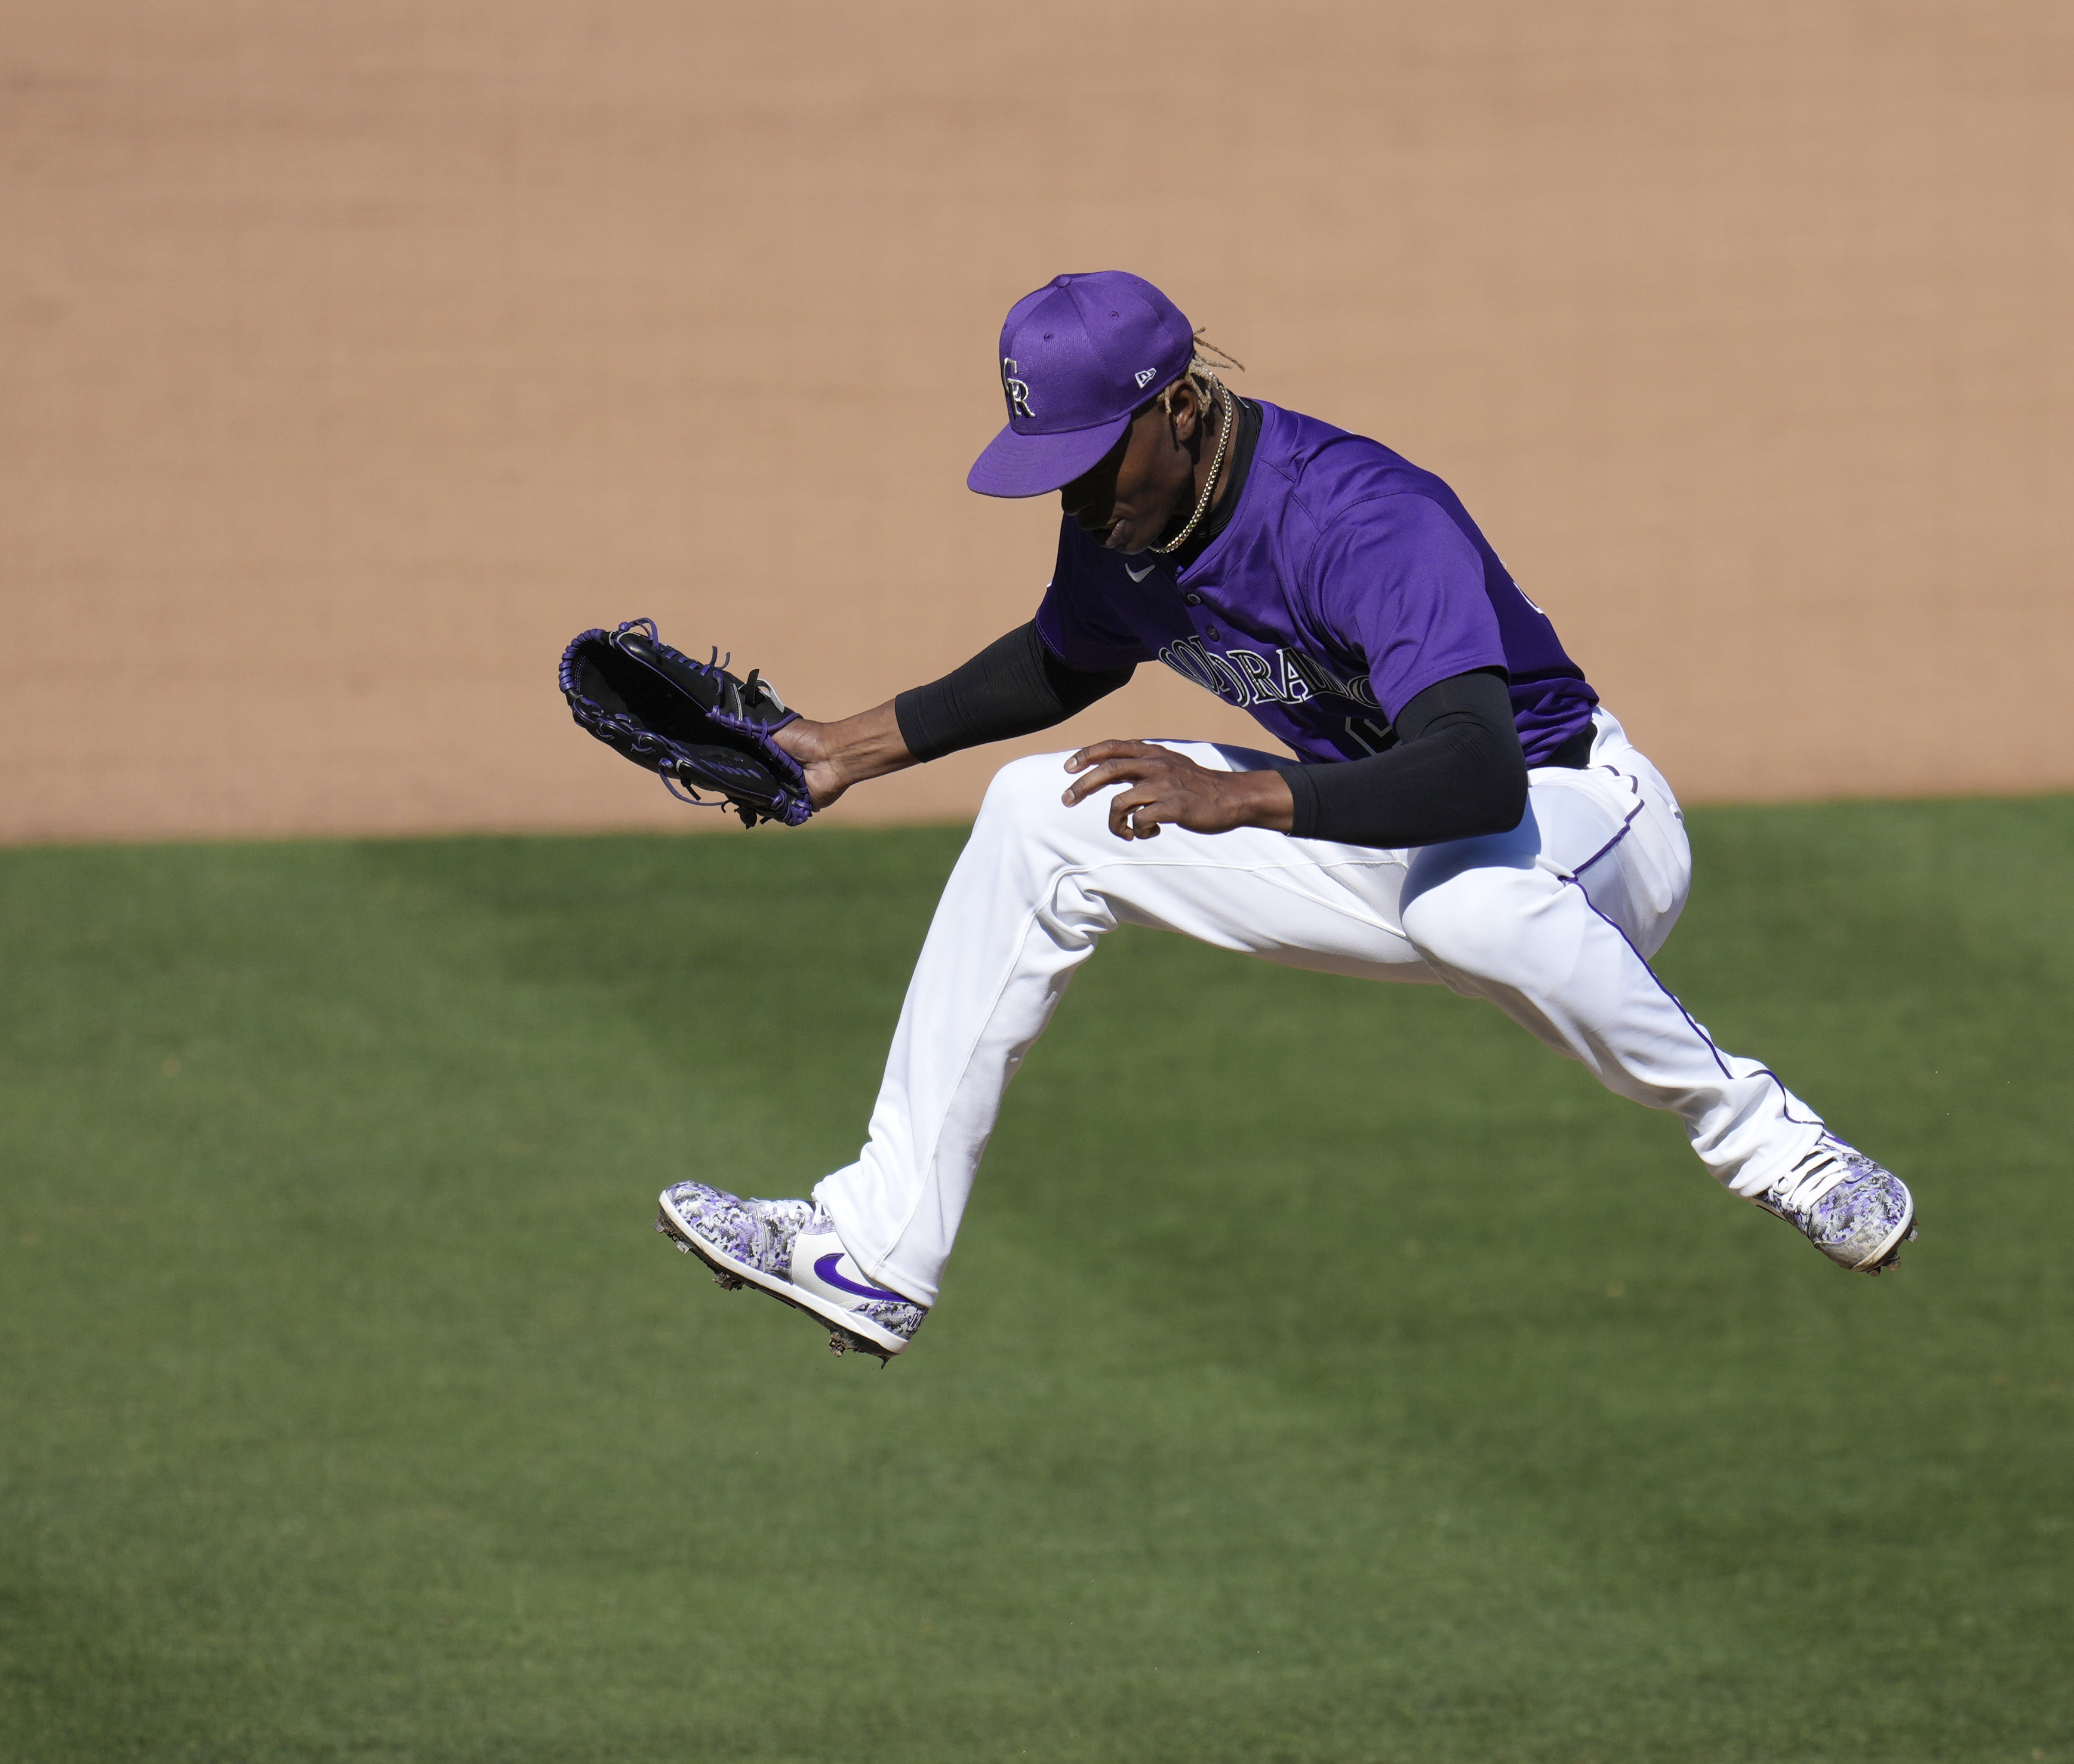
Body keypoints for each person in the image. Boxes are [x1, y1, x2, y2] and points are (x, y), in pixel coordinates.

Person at [654, 270, 1914, 1359]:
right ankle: (875, 1245)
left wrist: (1245, 793)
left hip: (1576, 823)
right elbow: (1063, 657)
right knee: (1040, 813)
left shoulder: (1365, 517)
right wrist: (841, 751)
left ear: (1181, 409)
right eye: (1057, 473)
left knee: (1473, 894)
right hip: (1380, 841)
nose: (1082, 501)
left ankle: (1771, 1141)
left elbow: (1475, 772)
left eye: (1096, 464)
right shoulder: (1120, 521)